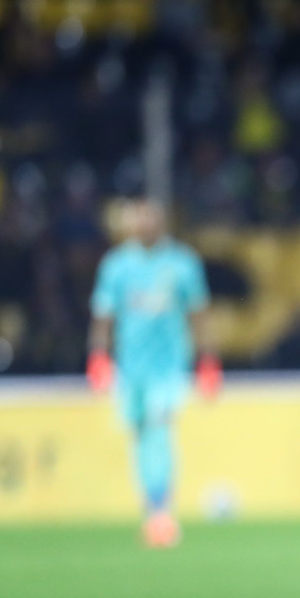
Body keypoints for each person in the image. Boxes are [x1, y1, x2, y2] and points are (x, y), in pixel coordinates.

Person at [87, 198, 222, 548]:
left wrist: (208, 360)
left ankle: (162, 510)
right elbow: (104, 316)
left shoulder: (182, 264)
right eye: (138, 218)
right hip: (131, 368)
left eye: (150, 217)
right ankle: (152, 507)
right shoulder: (116, 266)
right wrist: (98, 357)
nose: (144, 224)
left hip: (169, 367)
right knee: (139, 435)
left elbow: (198, 314)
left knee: (160, 429)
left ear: (162, 221)